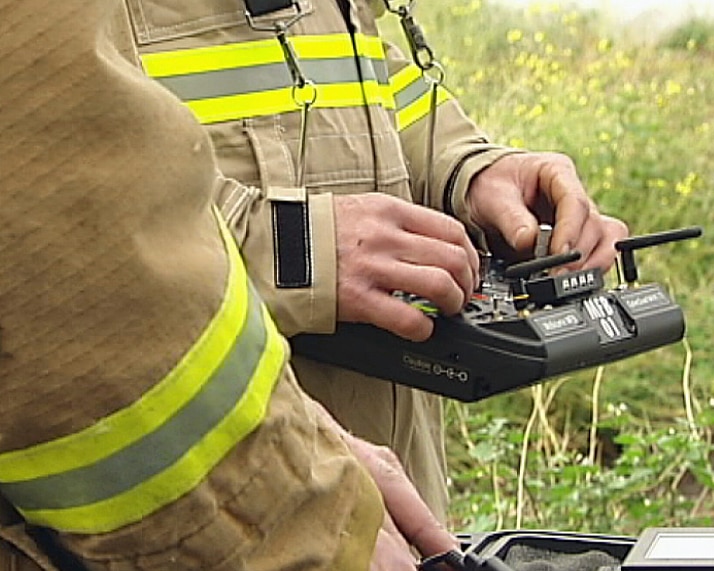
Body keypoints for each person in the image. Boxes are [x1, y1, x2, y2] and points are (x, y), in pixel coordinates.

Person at [0, 1, 457, 569]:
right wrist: (294, 247)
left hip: (362, 488)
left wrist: (464, 164)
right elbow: (58, 201)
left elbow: (359, 59)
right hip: (222, 522)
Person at [130, 0, 629, 519]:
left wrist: (471, 169)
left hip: (392, 487)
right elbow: (63, 214)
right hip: (209, 509)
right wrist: (301, 249)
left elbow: (354, 70)